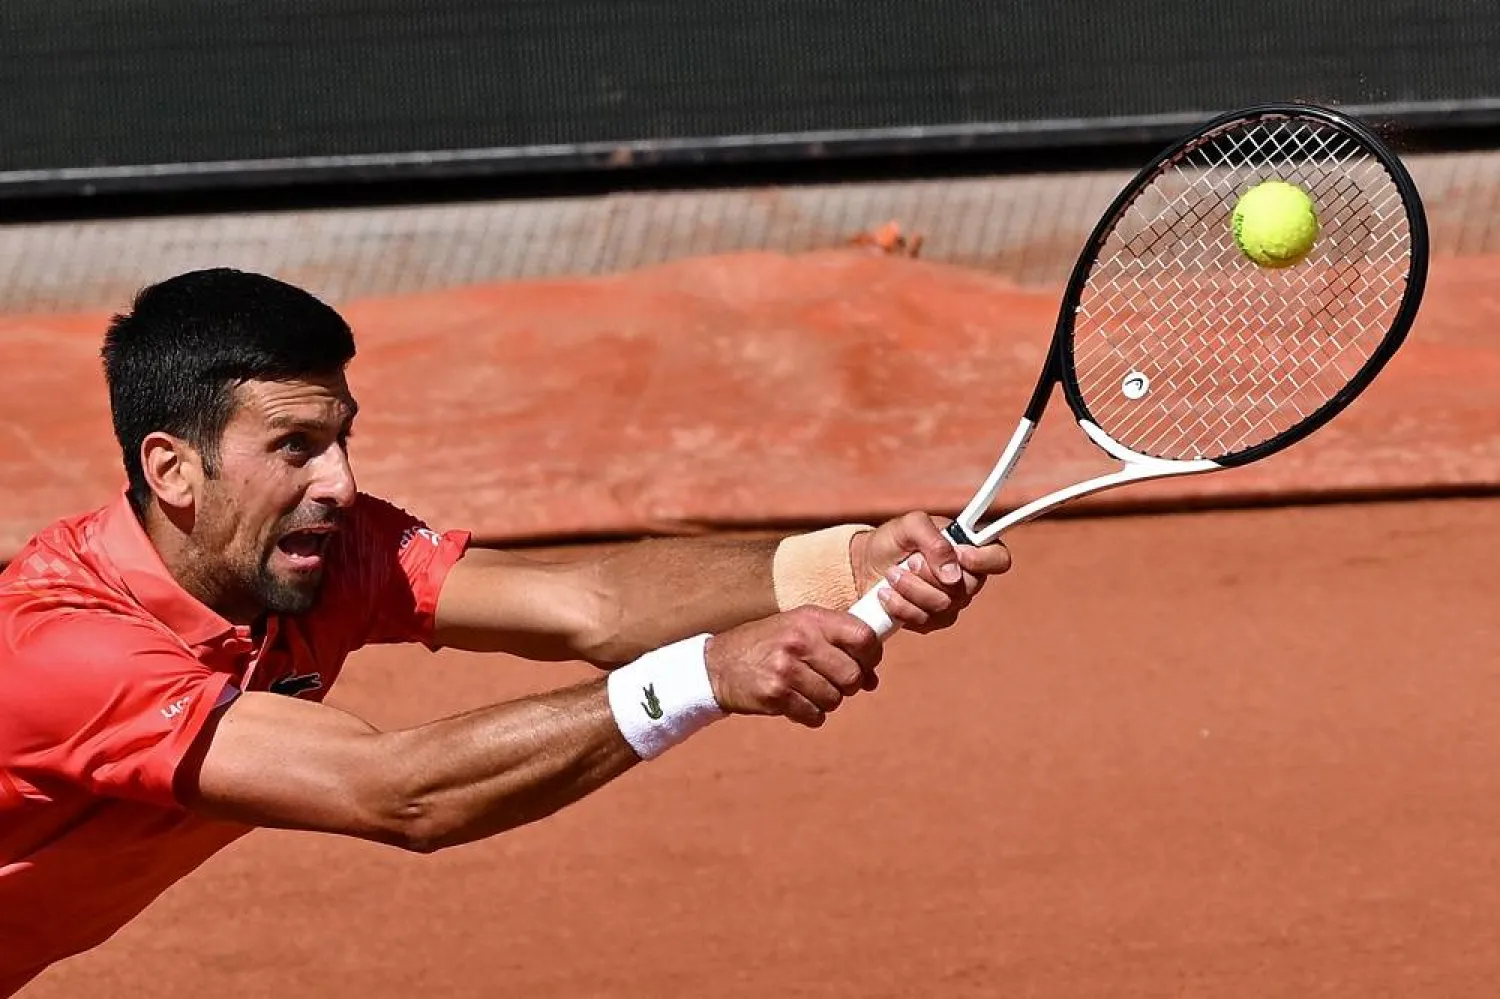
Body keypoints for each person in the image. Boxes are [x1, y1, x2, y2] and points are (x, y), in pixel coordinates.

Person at [0, 268, 1011, 995]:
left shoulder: (324, 550)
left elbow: (591, 605)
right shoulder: (64, 649)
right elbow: (397, 792)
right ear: (173, 470)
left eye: (342, 438)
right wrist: (703, 674)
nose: (340, 483)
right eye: (294, 447)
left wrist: (840, 566)